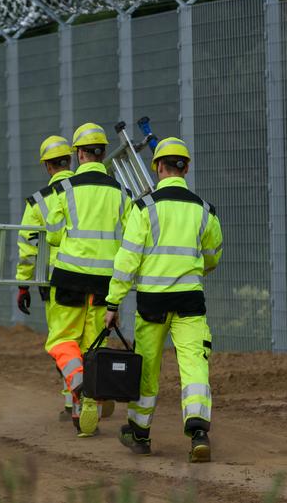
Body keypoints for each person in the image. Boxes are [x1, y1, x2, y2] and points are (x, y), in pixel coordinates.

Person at [104, 137, 223, 463]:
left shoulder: (143, 210)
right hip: (189, 301)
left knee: (147, 367)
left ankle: (139, 433)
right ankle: (198, 430)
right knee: (194, 362)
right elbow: (212, 257)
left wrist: (113, 304)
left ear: (158, 167)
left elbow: (126, 262)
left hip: (152, 303)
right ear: (186, 168)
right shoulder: (204, 211)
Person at [45, 122, 132, 437]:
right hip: (104, 282)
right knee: (93, 345)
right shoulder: (121, 192)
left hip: (68, 278)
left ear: (79, 154)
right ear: (103, 153)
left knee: (61, 340)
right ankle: (87, 417)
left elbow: (53, 237)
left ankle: (77, 379)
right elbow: (131, 239)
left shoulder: (64, 189)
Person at [15, 136, 76, 421]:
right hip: (100, 280)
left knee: (63, 341)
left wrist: (23, 284)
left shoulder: (38, 202)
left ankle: (73, 399)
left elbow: (27, 249)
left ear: (47, 167)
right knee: (89, 339)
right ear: (71, 160)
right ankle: (85, 401)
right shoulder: (89, 191)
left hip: (55, 283)